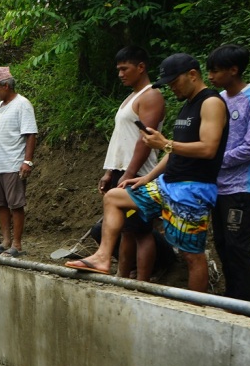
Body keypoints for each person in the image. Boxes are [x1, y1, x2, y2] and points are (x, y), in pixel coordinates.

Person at [67, 53, 229, 293]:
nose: (172, 88)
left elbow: (208, 148)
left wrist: (165, 144)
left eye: (175, 82)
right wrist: (146, 177)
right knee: (114, 197)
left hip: (192, 189)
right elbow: (173, 152)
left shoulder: (211, 102)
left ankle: (197, 306)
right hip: (166, 183)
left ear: (192, 75)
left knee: (191, 255)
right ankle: (102, 257)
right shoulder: (188, 105)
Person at [207, 44, 250, 302]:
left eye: (216, 70)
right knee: (222, 243)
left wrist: (215, 161)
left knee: (237, 245)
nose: (210, 76)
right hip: (218, 187)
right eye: (209, 70)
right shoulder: (219, 100)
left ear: (234, 70)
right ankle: (232, 298)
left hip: (242, 188)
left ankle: (247, 304)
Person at [97, 46, 166, 280]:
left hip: (138, 173)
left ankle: (142, 282)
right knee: (127, 230)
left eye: (124, 69)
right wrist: (110, 172)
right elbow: (121, 138)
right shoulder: (131, 97)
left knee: (142, 232)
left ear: (141, 67)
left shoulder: (151, 96)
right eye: (118, 69)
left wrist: (130, 173)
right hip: (123, 170)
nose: (120, 74)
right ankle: (122, 276)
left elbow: (144, 141)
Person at [0, 67, 37, 257]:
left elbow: (30, 134)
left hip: (14, 163)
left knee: (15, 205)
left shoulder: (22, 104)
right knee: (1, 204)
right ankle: (5, 241)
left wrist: (27, 161)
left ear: (6, 85)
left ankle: (17, 244)